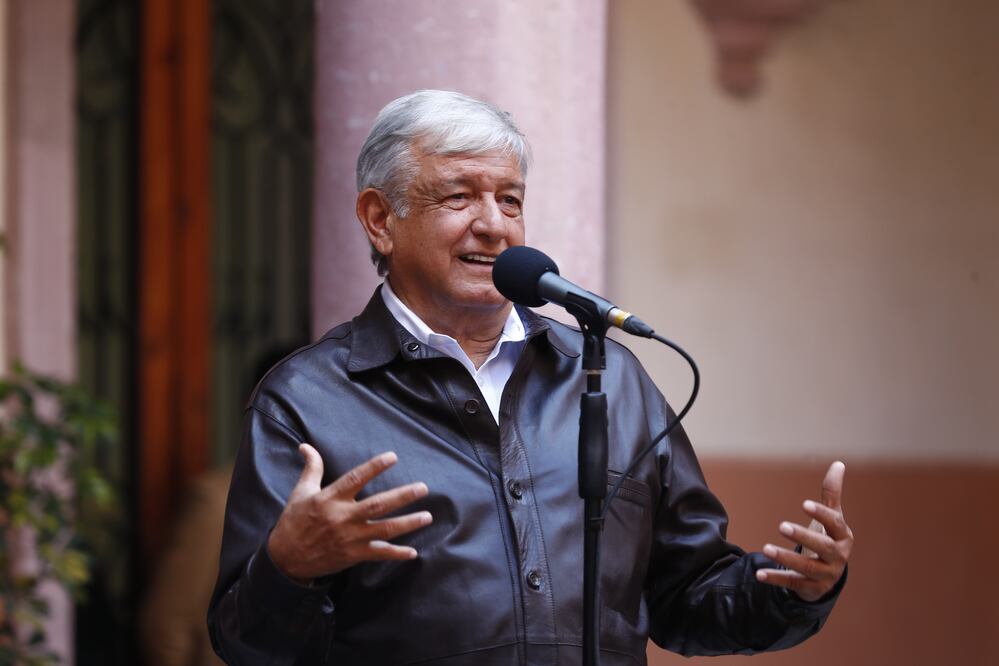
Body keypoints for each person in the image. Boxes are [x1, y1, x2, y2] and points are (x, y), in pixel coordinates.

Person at [207, 90, 852, 665]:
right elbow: (244, 643)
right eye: (458, 196)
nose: (494, 224)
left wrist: (791, 591)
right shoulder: (308, 400)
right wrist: (287, 568)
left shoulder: (608, 378)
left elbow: (686, 597)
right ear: (381, 220)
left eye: (509, 200)